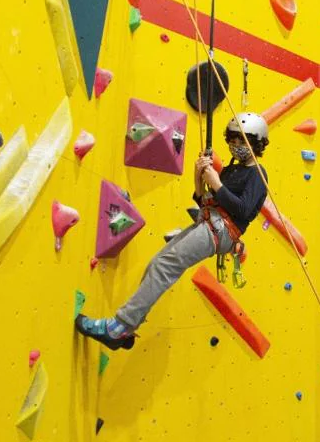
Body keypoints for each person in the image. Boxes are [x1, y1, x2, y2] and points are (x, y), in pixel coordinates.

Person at [75, 112, 270, 350]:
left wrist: (216, 183)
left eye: (242, 140)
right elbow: (204, 200)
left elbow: (243, 209)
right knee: (157, 263)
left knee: (166, 266)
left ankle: (119, 327)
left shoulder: (258, 175)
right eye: (233, 139)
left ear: (257, 142)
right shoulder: (231, 171)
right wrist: (199, 178)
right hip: (209, 222)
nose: (235, 145)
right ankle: (126, 329)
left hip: (222, 231)